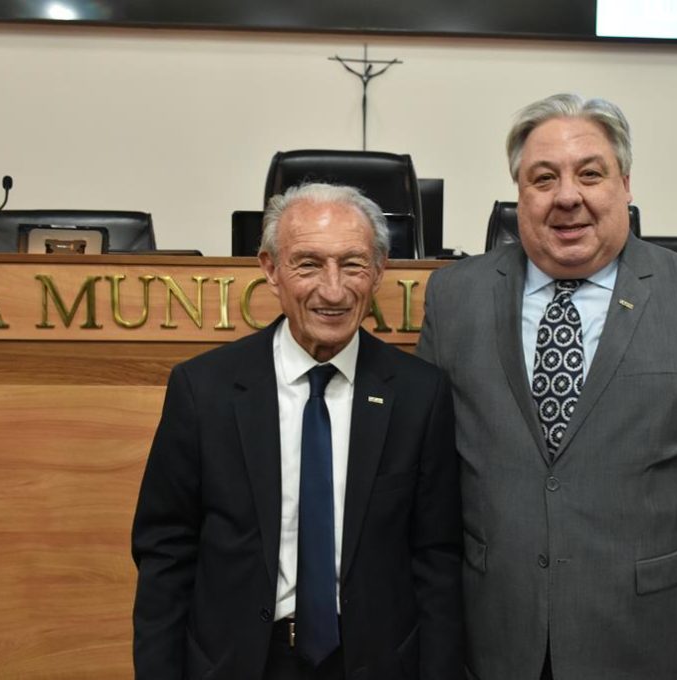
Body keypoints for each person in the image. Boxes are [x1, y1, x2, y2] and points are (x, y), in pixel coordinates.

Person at [417, 94, 677, 680]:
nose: (568, 197)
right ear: (519, 192)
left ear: (625, 184)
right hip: (494, 639)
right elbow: (426, 485)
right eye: (543, 178)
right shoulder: (455, 297)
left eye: (590, 174)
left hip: (650, 638)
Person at [133, 183, 463, 680]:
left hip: (374, 661)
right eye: (308, 264)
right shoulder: (204, 390)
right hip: (240, 662)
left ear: (378, 271)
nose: (333, 290)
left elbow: (436, 560)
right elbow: (166, 553)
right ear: (271, 269)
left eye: (352, 264)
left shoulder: (421, 394)